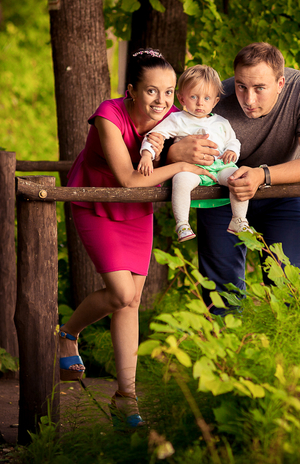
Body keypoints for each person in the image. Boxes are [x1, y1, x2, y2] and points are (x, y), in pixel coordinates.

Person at [60, 49, 214, 428]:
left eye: (168, 92)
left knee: (131, 303)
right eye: (151, 91)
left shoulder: (174, 118)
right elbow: (129, 179)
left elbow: (202, 142)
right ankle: (67, 333)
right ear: (131, 90)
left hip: (136, 211)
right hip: (97, 200)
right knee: (121, 293)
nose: (161, 101)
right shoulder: (108, 116)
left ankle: (125, 398)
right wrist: (179, 164)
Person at [162, 42, 300, 313]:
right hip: (221, 192)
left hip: (284, 192)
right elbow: (164, 144)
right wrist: (173, 153)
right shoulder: (213, 96)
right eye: (241, 86)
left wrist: (262, 175)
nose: (248, 99)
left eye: (259, 88)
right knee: (221, 295)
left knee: (287, 291)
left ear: (281, 83)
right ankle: (224, 340)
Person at [137, 65, 251, 242]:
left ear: (215, 101)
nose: (200, 103)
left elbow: (233, 140)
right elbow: (155, 136)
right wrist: (146, 155)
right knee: (180, 180)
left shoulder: (221, 122)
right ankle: (182, 223)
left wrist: (232, 151)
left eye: (206, 98)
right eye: (193, 97)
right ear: (181, 98)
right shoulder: (177, 119)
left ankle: (239, 219)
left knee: (239, 177)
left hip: (220, 166)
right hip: (191, 169)